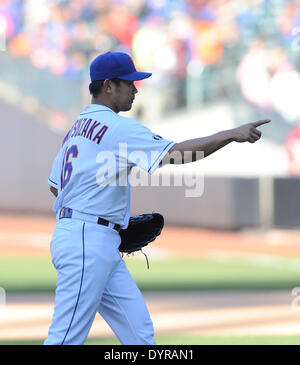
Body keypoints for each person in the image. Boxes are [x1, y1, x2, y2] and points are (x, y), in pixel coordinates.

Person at [44, 51, 270, 345]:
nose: (136, 89)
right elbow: (176, 154)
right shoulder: (117, 127)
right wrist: (230, 134)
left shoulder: (75, 129)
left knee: (140, 333)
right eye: (129, 83)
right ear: (109, 85)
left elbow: (55, 187)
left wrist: (104, 218)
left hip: (92, 238)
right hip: (88, 241)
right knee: (64, 339)